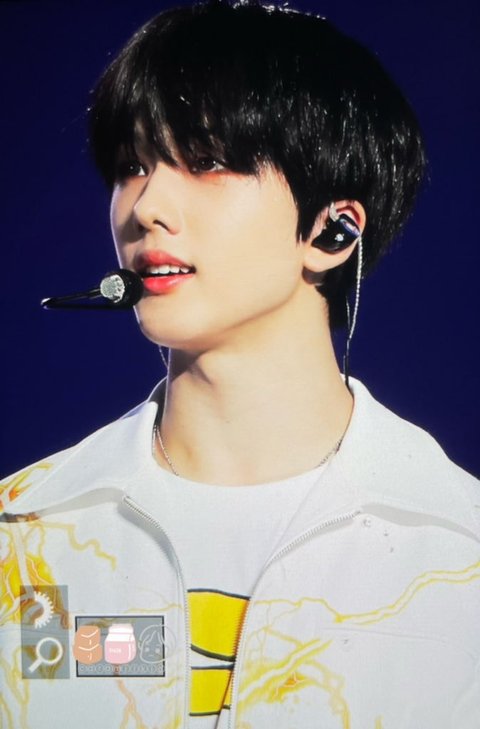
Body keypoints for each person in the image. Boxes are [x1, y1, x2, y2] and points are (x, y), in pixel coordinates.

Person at [1, 1, 479, 727]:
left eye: (208, 161)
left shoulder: (457, 546)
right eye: (132, 166)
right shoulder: (24, 534)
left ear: (334, 229)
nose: (147, 206)